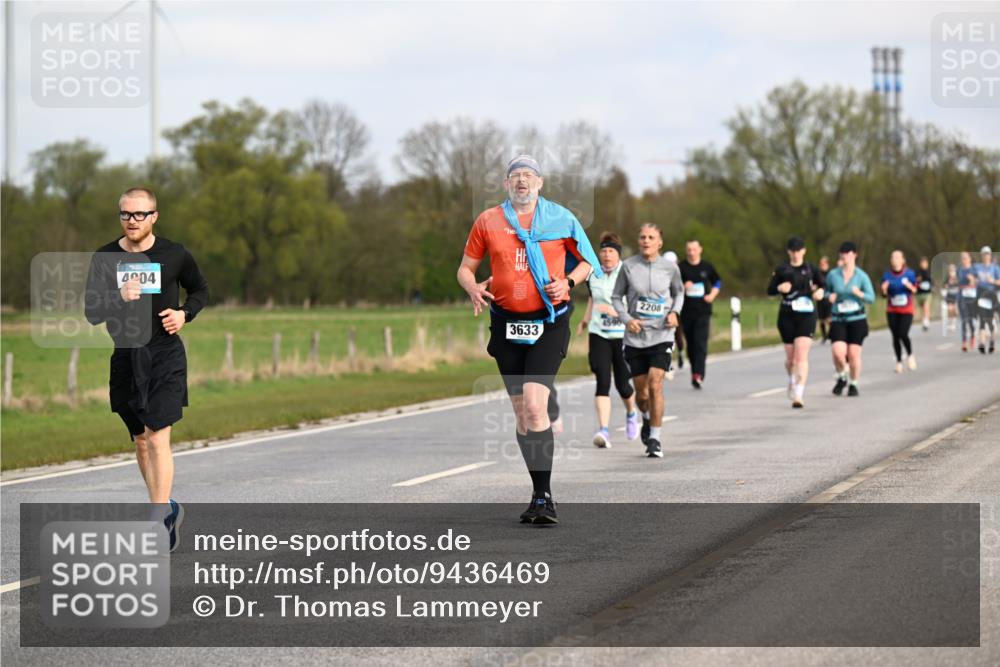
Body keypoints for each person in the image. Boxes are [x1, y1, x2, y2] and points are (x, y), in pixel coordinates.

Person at [457, 155, 599, 525]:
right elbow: (465, 268)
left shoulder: (562, 218)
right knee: (523, 414)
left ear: (540, 183)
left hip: (548, 323)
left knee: (536, 407)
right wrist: (472, 286)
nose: (522, 181)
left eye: (529, 176)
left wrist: (567, 282)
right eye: (515, 176)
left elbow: (587, 263)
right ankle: (537, 492)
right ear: (506, 185)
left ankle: (544, 496)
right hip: (506, 323)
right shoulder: (488, 221)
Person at [84, 187, 209, 552]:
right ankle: (166, 507)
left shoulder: (174, 254)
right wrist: (117, 297)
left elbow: (200, 289)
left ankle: (156, 520)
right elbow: (92, 312)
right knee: (140, 440)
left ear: (154, 216)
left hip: (165, 354)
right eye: (125, 214)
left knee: (158, 435)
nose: (132, 221)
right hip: (126, 356)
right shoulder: (105, 257)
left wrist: (185, 314)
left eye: (139, 215)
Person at [611, 224, 684, 458]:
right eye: (642, 237)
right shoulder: (629, 267)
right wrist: (626, 319)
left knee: (655, 384)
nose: (645, 241)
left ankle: (655, 438)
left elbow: (679, 292)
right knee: (642, 394)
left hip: (662, 334)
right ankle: (645, 416)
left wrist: (675, 313)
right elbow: (616, 297)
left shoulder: (669, 268)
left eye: (651, 237)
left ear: (660, 242)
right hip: (635, 337)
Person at [575, 232, 640, 448]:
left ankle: (631, 413)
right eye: (603, 251)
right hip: (598, 334)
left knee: (623, 384)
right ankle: (603, 430)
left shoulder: (628, 273)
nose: (606, 255)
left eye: (611, 251)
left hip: (622, 335)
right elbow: (594, 299)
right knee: (602, 380)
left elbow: (634, 303)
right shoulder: (593, 273)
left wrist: (615, 312)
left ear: (618, 254)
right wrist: (584, 321)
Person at [766, 236, 825, 408]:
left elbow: (824, 285)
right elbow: (769, 290)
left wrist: (820, 292)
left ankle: (799, 394)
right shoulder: (782, 269)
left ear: (804, 251)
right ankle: (792, 378)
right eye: (793, 251)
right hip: (787, 315)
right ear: (788, 252)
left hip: (807, 314)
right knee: (791, 360)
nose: (796, 254)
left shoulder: (811, 268)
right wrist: (779, 288)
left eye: (799, 250)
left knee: (801, 356)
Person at [826, 241, 875, 396]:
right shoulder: (833, 275)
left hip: (857, 319)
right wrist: (829, 296)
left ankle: (853, 383)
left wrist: (859, 294)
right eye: (842, 253)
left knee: (853, 354)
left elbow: (871, 298)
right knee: (838, 353)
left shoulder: (862, 276)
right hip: (839, 319)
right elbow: (826, 292)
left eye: (847, 253)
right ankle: (842, 376)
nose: (844, 256)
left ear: (854, 255)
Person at [678, 240, 722, 390]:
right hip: (686, 311)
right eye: (689, 249)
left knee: (700, 342)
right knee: (691, 344)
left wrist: (712, 295)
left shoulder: (707, 267)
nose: (691, 252)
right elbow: (673, 287)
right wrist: (683, 286)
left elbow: (717, 282)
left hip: (703, 311)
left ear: (700, 250)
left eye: (694, 249)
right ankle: (694, 372)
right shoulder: (681, 268)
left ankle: (699, 374)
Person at [881, 250, 918, 373]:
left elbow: (915, 290)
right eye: (893, 257)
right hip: (892, 310)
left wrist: (910, 287)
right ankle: (898, 361)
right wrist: (884, 290)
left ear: (903, 260)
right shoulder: (887, 275)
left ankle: (910, 355)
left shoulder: (910, 274)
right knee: (895, 336)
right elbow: (883, 295)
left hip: (906, 310)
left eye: (898, 257)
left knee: (903, 333)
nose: (895, 260)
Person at [973, 246, 1000, 354]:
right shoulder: (977, 267)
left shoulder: (995, 268)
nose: (986, 256)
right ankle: (982, 343)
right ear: (981, 255)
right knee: (982, 319)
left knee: (990, 319)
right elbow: (973, 279)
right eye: (984, 254)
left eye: (987, 254)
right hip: (981, 294)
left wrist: (992, 280)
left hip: (991, 294)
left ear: (990, 255)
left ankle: (992, 342)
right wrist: (973, 280)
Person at [957, 252, 978, 352]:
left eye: (965, 257)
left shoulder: (974, 269)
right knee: (964, 319)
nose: (963, 259)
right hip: (962, 296)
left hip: (972, 296)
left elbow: (978, 281)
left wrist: (973, 279)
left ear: (970, 258)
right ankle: (964, 341)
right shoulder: (959, 269)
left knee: (970, 320)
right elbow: (958, 281)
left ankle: (973, 336)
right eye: (962, 258)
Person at [816, 255, 833, 343]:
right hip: (820, 299)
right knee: (821, 320)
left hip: (828, 299)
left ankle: (831, 334)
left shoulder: (831, 274)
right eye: (821, 264)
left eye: (824, 264)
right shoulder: (817, 274)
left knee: (829, 319)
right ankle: (824, 336)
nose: (822, 265)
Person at [915, 256, 933, 331]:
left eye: (925, 263)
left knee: (926, 306)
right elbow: (914, 282)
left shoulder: (929, 272)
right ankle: (925, 320)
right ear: (920, 264)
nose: (924, 264)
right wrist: (918, 280)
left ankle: (926, 322)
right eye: (922, 263)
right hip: (919, 293)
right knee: (923, 308)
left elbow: (932, 282)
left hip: (927, 293)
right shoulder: (917, 272)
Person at [944, 263, 960, 331]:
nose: (951, 270)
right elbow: (944, 285)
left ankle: (953, 323)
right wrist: (947, 284)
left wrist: (955, 281)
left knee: (954, 310)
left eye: (952, 268)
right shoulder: (947, 277)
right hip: (949, 295)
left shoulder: (958, 276)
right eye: (950, 268)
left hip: (956, 295)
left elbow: (960, 284)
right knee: (950, 309)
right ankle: (951, 323)